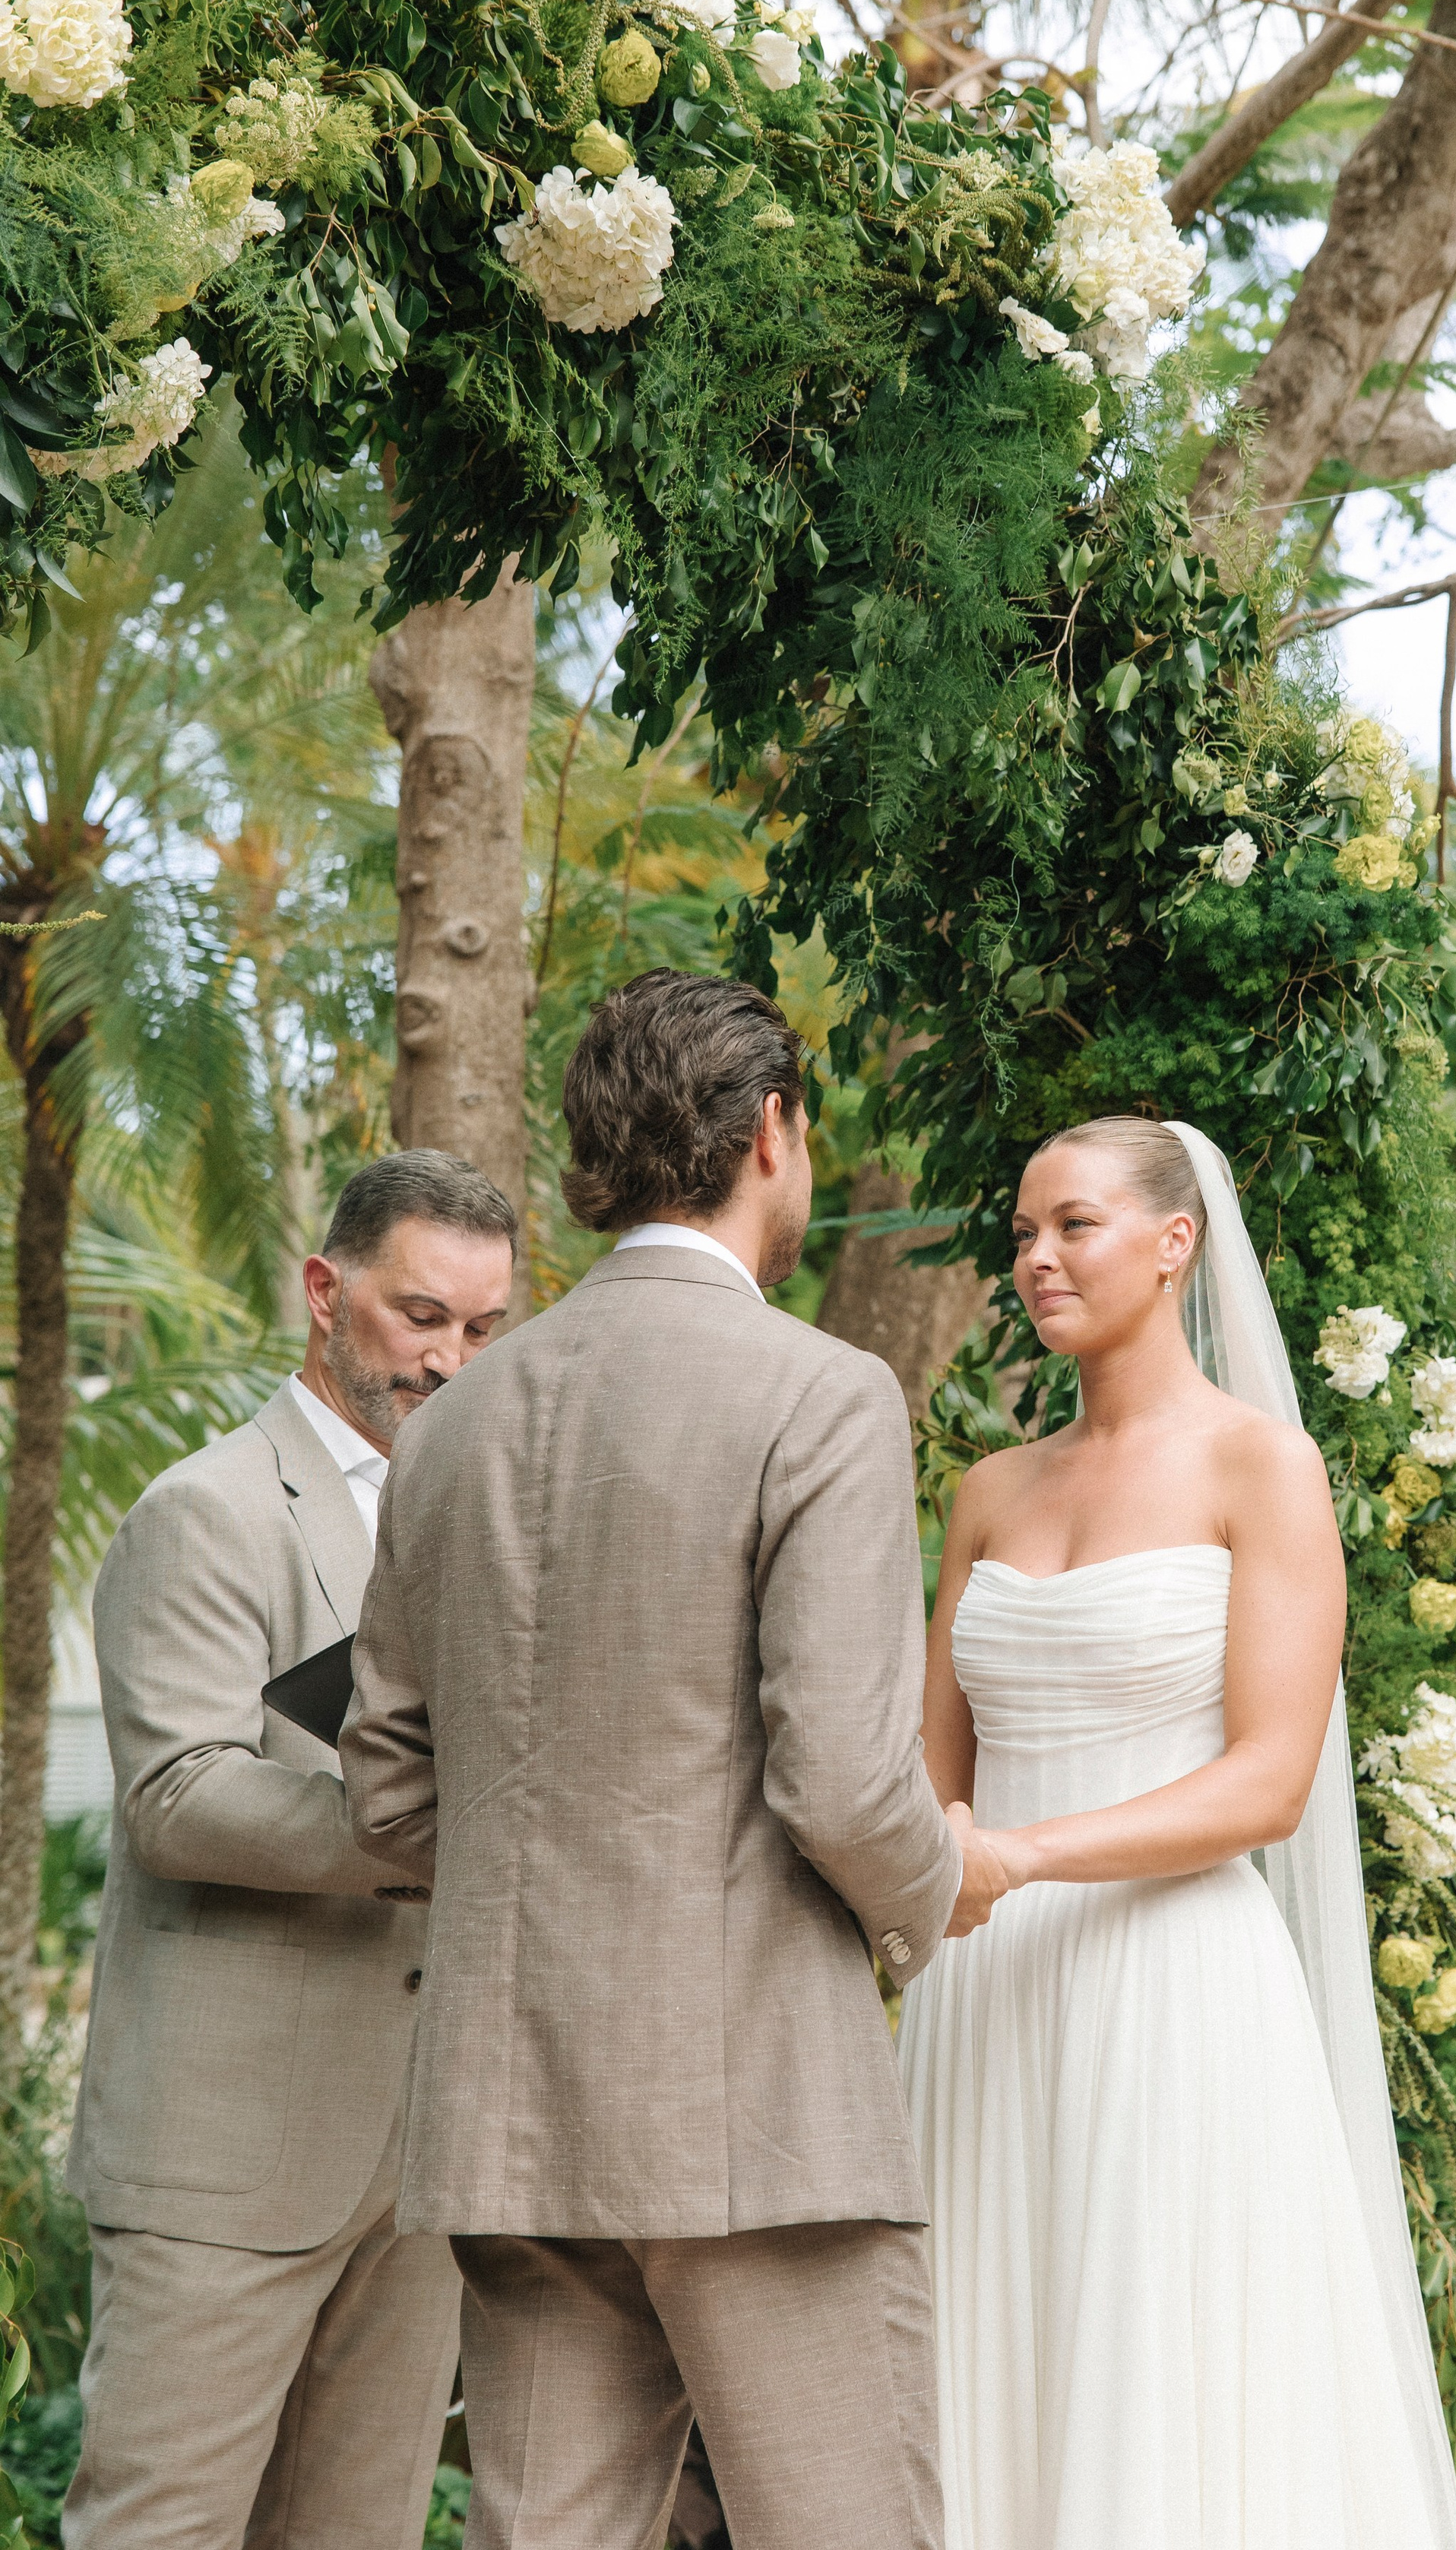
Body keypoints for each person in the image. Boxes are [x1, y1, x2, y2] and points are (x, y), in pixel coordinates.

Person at [341, 967, 1011, 2550]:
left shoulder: (449, 1422)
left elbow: (383, 1788)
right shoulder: (820, 1395)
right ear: (771, 1129)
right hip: (759, 2120)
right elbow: (846, 1782)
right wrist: (940, 1887)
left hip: (509, 2116)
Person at [896, 1113, 1456, 2550]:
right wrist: (948, 1854)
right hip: (982, 1998)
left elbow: (1267, 1784)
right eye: (1024, 1232)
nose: (1036, 1258)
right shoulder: (989, 1492)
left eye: (1072, 1225)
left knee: (1164, 2379)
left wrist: (1023, 1855)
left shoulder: (1262, 1470)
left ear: (1174, 1242)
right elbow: (926, 1773)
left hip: (1172, 1989)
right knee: (990, 2368)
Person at [65, 1149, 520, 2550]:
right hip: (225, 2153)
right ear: (327, 1292)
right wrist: (438, 1839)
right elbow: (180, 1796)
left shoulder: (481, 1526)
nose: (451, 1360)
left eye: (483, 1330)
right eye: (421, 1315)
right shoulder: (202, 1512)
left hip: (417, 2156)